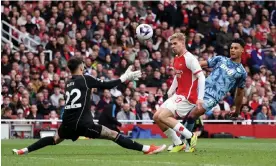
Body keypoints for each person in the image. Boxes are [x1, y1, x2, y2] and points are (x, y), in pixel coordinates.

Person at [12, 57, 166, 155]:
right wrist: (125, 77)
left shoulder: (68, 82)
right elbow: (107, 84)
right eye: (83, 66)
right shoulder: (85, 79)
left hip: (67, 123)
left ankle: (23, 150)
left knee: (54, 139)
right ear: (80, 67)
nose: (85, 67)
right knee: (113, 135)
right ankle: (147, 149)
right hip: (83, 124)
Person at [153, 33, 205, 153]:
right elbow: (178, 76)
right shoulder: (176, 58)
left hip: (188, 97)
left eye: (175, 43)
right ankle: (178, 143)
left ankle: (190, 136)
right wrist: (170, 91)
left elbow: (201, 77)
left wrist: (200, 98)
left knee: (163, 116)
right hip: (178, 95)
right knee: (156, 117)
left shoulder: (190, 58)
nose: (172, 46)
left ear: (183, 42)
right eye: (171, 44)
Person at [185, 38, 247, 137]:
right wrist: (187, 67)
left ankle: (182, 142)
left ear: (242, 50)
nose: (233, 50)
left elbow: (239, 93)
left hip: (212, 98)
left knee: (193, 115)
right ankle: (185, 142)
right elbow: (201, 64)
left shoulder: (241, 72)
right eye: (231, 48)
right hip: (200, 90)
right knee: (187, 116)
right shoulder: (220, 59)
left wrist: (237, 111)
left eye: (236, 48)